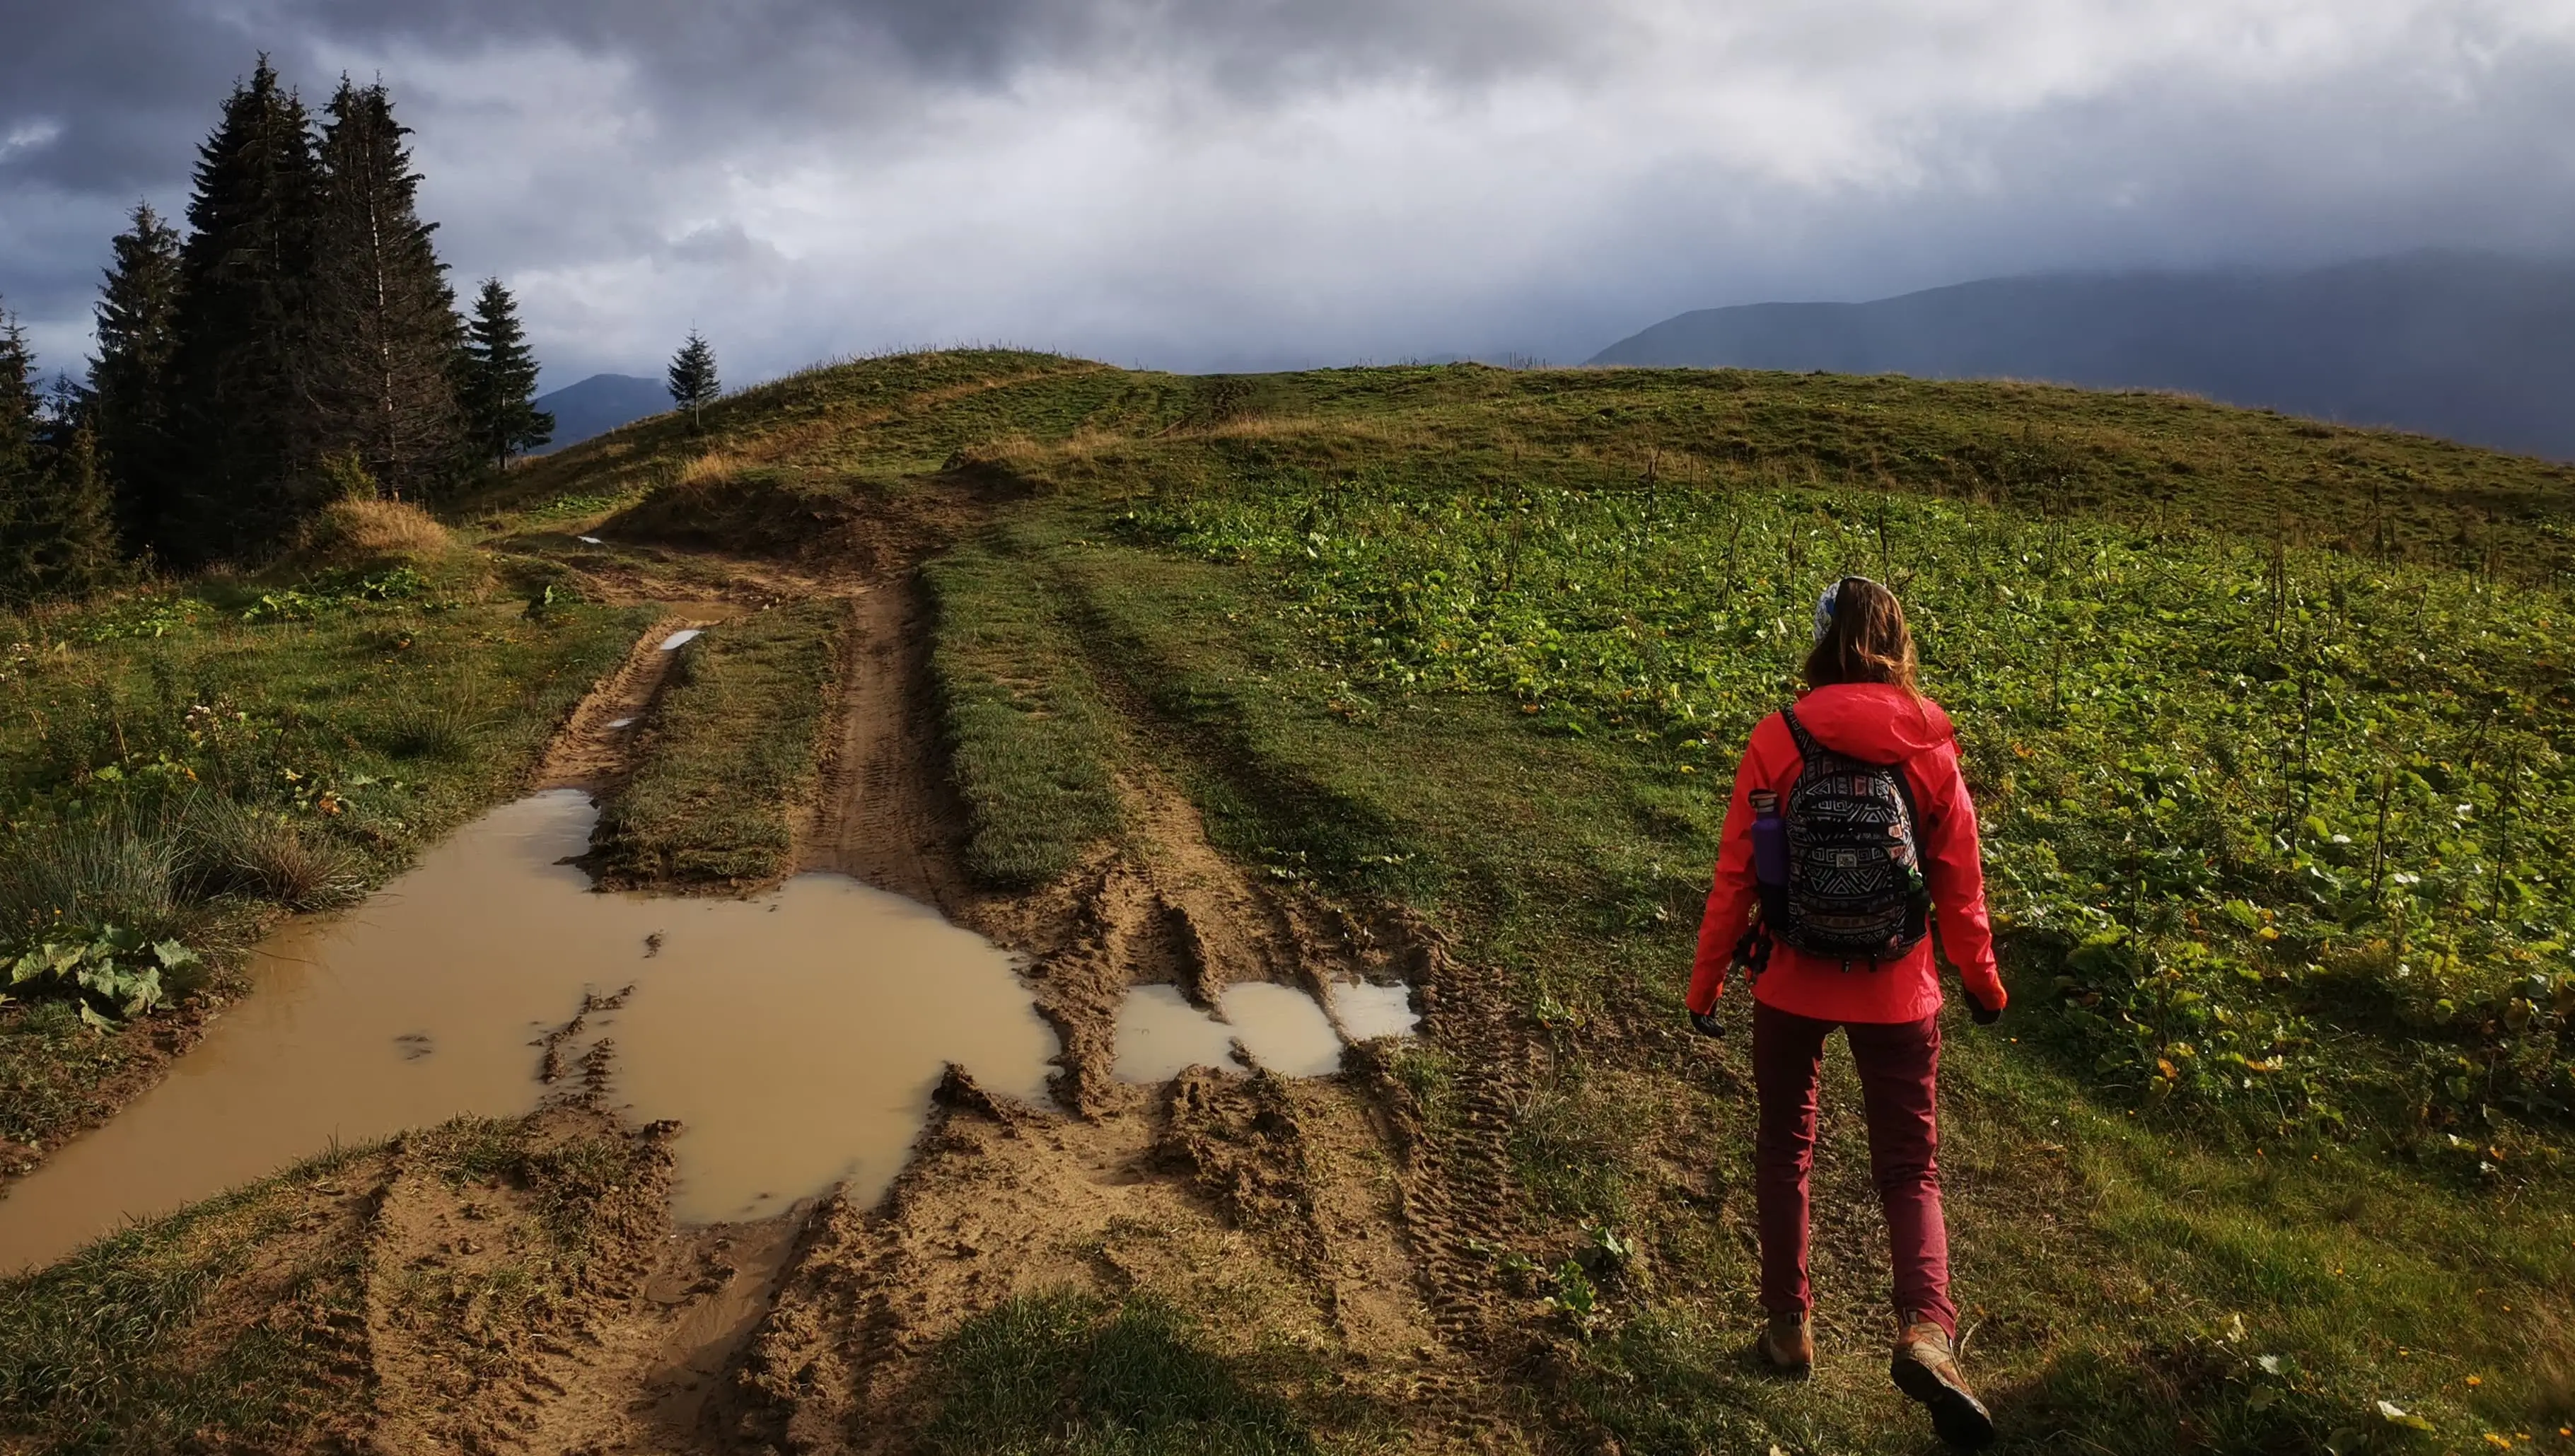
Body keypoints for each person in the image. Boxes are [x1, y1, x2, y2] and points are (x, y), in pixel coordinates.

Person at [1685, 575, 2006, 1451]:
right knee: (1909, 1165)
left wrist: (1705, 983)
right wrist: (1982, 984)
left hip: (1790, 978)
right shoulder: (1929, 746)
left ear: (1819, 641)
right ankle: (1925, 1333)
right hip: (1898, 986)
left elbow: (1735, 878)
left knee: (1784, 1143)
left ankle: (1788, 1329)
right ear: (1897, 641)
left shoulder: (1776, 739)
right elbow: (1960, 886)